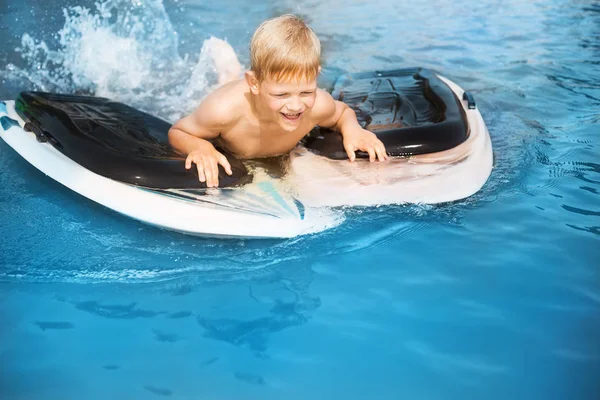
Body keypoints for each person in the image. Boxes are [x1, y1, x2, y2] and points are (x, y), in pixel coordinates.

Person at [168, 14, 387, 188]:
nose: (295, 105)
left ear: (316, 77)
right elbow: (179, 132)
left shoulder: (318, 105)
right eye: (281, 95)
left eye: (306, 92)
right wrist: (200, 146)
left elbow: (342, 112)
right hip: (234, 100)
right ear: (254, 83)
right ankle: (227, 70)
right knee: (225, 84)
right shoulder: (222, 111)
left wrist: (353, 129)